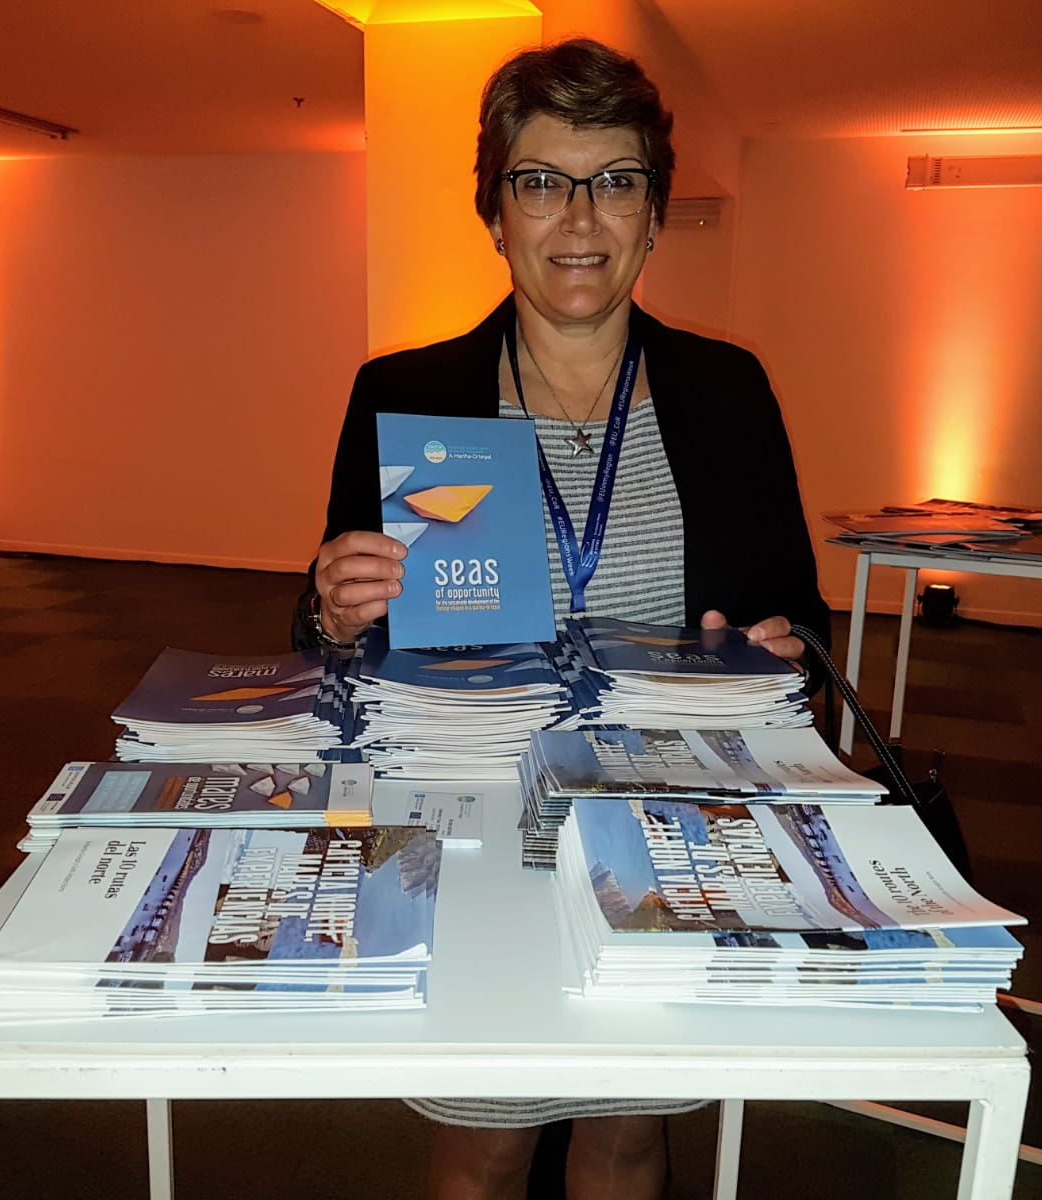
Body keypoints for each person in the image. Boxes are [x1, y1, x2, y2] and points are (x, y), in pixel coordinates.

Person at [292, 36, 829, 1200]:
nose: (579, 218)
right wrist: (334, 613)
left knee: (627, 1132)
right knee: (484, 1138)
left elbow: (805, 633)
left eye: (615, 181)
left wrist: (779, 659)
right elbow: (332, 652)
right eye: (540, 181)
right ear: (495, 213)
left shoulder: (725, 394)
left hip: (661, 825)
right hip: (470, 821)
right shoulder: (407, 394)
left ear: (652, 214)